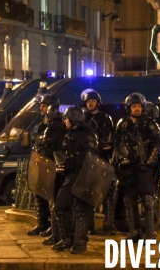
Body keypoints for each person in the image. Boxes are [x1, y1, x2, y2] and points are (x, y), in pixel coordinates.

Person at [114, 93, 160, 241]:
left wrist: (148, 162)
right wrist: (123, 158)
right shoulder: (122, 124)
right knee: (130, 201)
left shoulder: (150, 123)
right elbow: (118, 143)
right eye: (134, 106)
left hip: (144, 167)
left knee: (147, 201)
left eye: (139, 106)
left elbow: (157, 144)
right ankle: (135, 232)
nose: (137, 109)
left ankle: (150, 234)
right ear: (129, 108)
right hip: (129, 168)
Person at [52, 106, 99, 254]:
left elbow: (92, 158)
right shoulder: (69, 135)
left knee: (80, 209)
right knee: (60, 205)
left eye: (66, 118)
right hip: (71, 175)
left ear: (73, 119)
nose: (65, 121)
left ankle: (80, 241)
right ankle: (68, 238)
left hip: (84, 175)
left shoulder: (87, 135)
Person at [81, 88, 116, 235]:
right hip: (87, 161)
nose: (90, 104)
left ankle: (109, 225)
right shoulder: (81, 118)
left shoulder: (105, 118)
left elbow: (111, 138)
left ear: (98, 103)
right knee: (88, 193)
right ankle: (89, 225)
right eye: (88, 101)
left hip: (103, 158)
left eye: (93, 101)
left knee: (107, 192)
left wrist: (106, 145)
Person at [27, 94, 60, 236]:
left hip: (52, 166)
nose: (41, 108)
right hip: (42, 164)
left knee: (52, 198)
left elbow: (54, 146)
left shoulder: (58, 125)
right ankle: (42, 224)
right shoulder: (42, 125)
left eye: (44, 106)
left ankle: (53, 228)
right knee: (39, 195)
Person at [37, 104, 68, 246]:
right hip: (56, 168)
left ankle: (57, 235)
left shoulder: (54, 129)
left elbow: (50, 149)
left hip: (54, 169)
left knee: (55, 203)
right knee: (55, 203)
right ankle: (57, 234)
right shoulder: (61, 128)